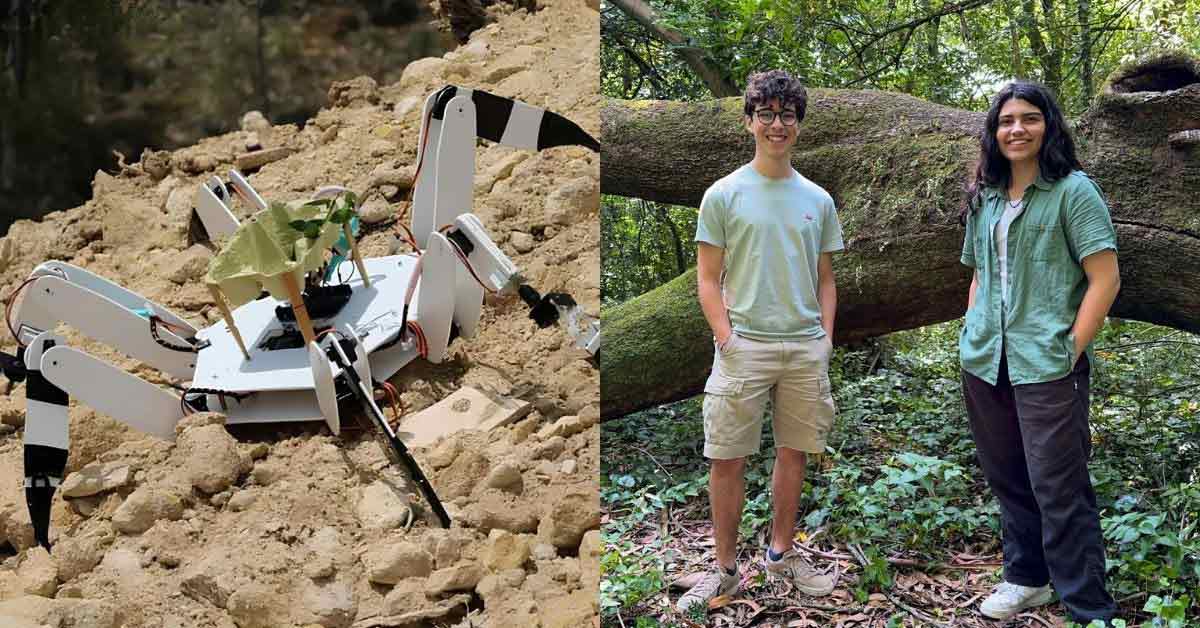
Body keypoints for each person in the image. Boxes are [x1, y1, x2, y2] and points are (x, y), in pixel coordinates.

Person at [678, 69, 843, 614]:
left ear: (798, 125)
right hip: (743, 343)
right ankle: (724, 570)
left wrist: (824, 340)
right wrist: (725, 338)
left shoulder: (817, 199)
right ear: (749, 121)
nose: (778, 124)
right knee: (726, 456)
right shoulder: (723, 194)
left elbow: (825, 280)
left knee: (793, 453)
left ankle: (780, 553)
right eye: (766, 114)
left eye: (787, 114)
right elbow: (707, 279)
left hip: (803, 347)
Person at [959, 80, 1121, 625]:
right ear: (994, 132)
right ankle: (1027, 580)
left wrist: (1071, 348)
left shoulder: (1074, 192)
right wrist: (970, 332)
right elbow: (981, 271)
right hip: (986, 360)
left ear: (1047, 126)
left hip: (1047, 363)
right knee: (1008, 476)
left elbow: (1105, 279)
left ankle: (1088, 605)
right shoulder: (984, 196)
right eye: (1006, 121)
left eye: (1029, 118)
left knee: (1059, 484)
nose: (1016, 129)